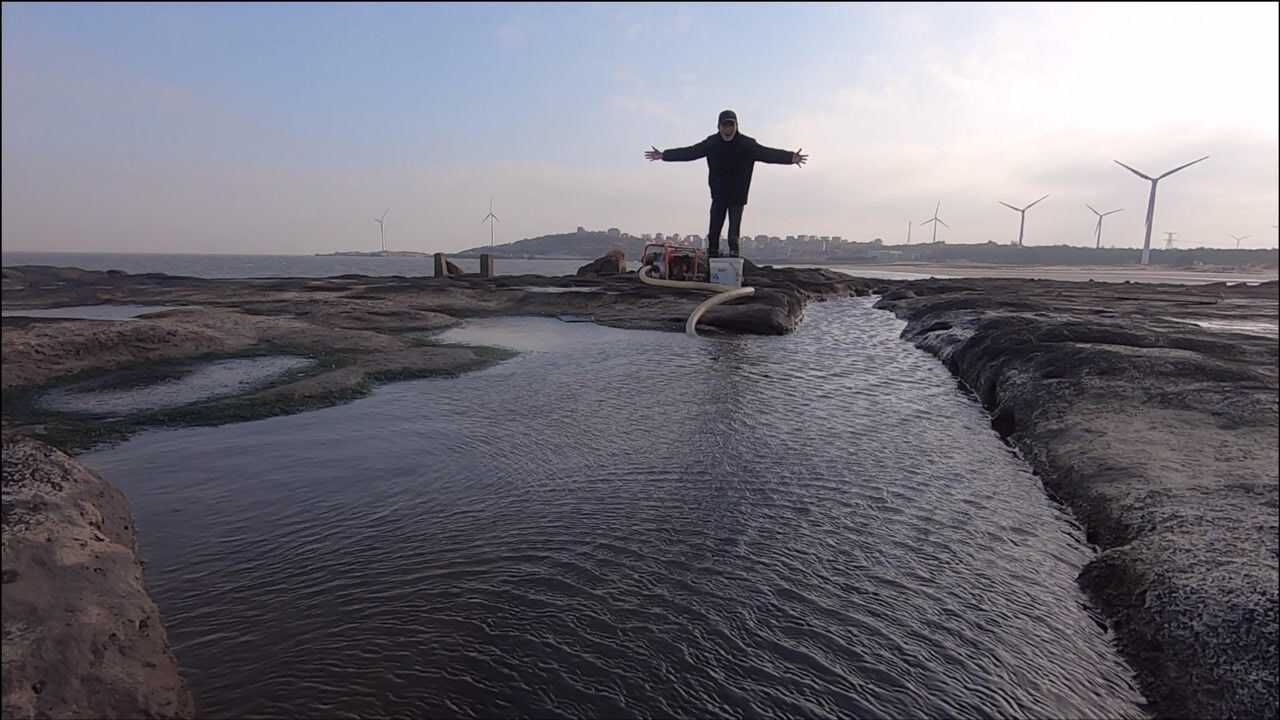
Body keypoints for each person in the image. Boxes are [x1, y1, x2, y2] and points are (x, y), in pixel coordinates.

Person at [645, 109, 807, 258]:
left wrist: (790, 157)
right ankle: (712, 260)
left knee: (733, 235)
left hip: (738, 196)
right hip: (719, 195)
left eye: (731, 124)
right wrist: (664, 155)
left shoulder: (747, 144)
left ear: (736, 125)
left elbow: (768, 154)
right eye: (725, 125)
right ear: (719, 126)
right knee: (713, 233)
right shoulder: (712, 143)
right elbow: (690, 152)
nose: (728, 128)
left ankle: (734, 262)